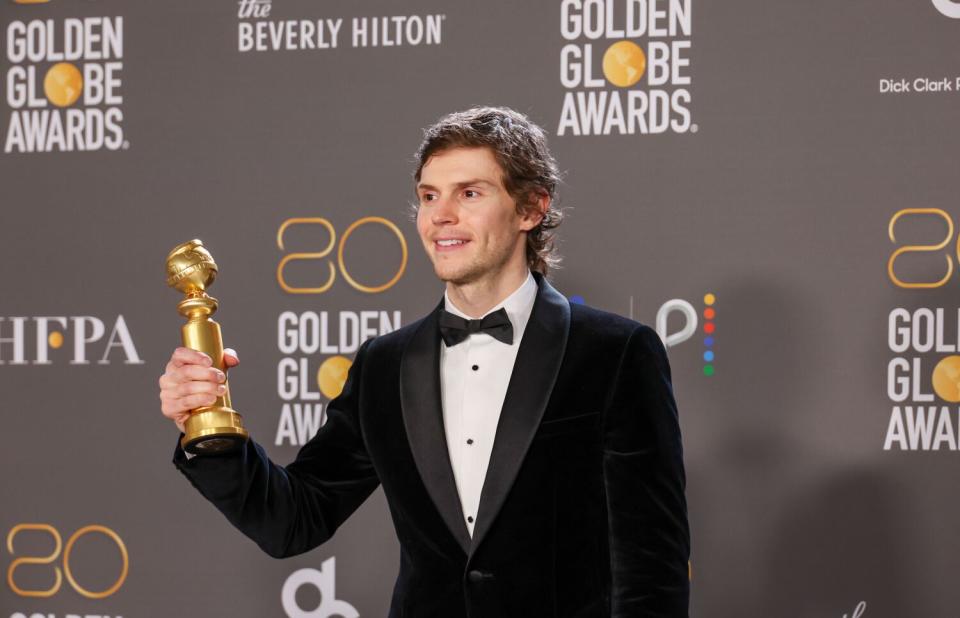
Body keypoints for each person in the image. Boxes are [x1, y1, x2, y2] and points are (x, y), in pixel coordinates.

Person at [159, 106, 690, 617]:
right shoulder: (383, 366)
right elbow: (294, 520)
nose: (441, 216)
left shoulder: (616, 353)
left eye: (470, 193)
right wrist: (208, 431)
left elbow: (652, 571)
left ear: (531, 208)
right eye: (429, 195)